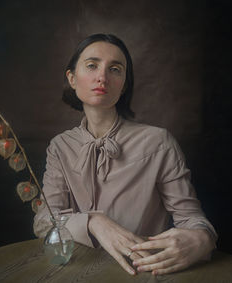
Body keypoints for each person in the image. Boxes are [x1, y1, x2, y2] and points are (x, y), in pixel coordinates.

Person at [34, 33, 217, 276]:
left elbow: (192, 220)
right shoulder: (60, 146)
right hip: (75, 272)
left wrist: (203, 239)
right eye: (92, 65)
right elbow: (45, 220)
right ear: (72, 78)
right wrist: (92, 221)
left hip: (141, 272)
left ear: (124, 85)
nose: (102, 77)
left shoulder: (158, 142)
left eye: (115, 69)